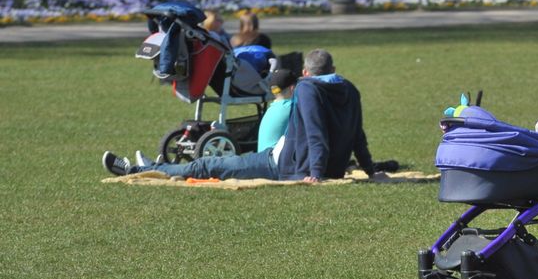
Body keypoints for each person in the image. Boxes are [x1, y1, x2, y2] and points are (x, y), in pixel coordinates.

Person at [103, 49, 378, 183]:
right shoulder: (349, 89)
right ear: (333, 68)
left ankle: (140, 170)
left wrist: (315, 174)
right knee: (215, 164)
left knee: (208, 166)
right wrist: (369, 169)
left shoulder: (307, 89)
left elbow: (316, 132)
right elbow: (358, 134)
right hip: (298, 161)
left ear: (305, 73)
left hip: (283, 165)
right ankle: (154, 167)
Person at [257, 67, 297, 151]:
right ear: (292, 88)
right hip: (275, 161)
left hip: (263, 160)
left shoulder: (271, 109)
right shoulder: (291, 107)